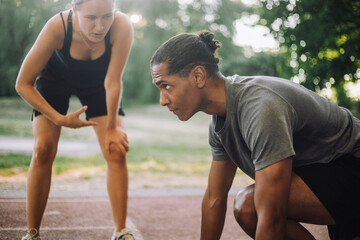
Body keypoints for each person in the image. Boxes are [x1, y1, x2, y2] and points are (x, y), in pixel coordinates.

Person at [150, 31, 360, 240]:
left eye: (166, 86)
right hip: (330, 176)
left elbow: (272, 218)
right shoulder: (219, 125)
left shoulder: (261, 108)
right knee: (251, 207)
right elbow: (215, 198)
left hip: (351, 166)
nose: (163, 100)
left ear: (198, 76)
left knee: (250, 206)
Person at [15, 0, 135, 239]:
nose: (100, 27)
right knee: (42, 149)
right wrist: (58, 118)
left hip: (99, 84)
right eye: (91, 18)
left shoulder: (122, 26)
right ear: (74, 9)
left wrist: (111, 127)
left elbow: (113, 81)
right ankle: (32, 234)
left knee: (116, 149)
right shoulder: (56, 28)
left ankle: (120, 232)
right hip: (55, 82)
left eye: (106, 16)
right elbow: (22, 84)